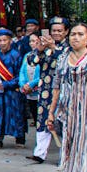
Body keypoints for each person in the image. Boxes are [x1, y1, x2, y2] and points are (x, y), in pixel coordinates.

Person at [47, 23, 87, 172]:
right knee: (70, 143)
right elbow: (56, 86)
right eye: (73, 34)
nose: (76, 38)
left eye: (80, 34)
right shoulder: (64, 58)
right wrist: (51, 111)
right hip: (67, 111)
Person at [32, 18, 69, 163]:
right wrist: (39, 50)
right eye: (54, 30)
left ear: (66, 32)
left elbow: (65, 62)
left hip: (63, 91)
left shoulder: (70, 47)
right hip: (45, 91)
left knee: (63, 123)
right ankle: (39, 153)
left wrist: (53, 48)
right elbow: (31, 61)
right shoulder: (45, 46)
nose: (56, 33)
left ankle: (65, 156)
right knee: (42, 120)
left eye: (60, 31)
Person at [0, 28, 24, 150]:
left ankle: (19, 138)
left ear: (10, 41)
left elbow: (21, 75)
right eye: (0, 40)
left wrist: (8, 84)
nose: (2, 43)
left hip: (13, 91)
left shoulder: (17, 55)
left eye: (5, 40)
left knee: (16, 113)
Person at [19, 33, 42, 128]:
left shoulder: (44, 54)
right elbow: (22, 71)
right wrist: (23, 84)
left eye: (34, 41)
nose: (32, 43)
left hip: (39, 89)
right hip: (28, 89)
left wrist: (31, 84)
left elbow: (43, 74)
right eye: (31, 41)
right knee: (33, 110)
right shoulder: (27, 55)